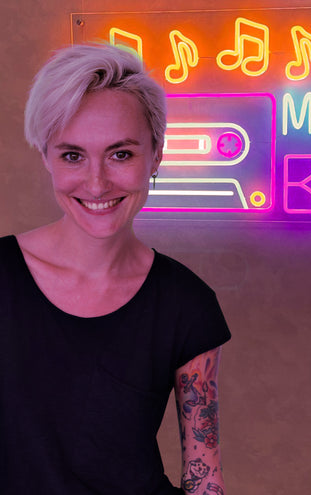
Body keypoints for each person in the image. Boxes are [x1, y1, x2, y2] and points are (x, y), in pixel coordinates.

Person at [0, 43, 230, 495]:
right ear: (46, 155)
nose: (97, 182)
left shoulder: (187, 304)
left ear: (156, 155)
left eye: (121, 154)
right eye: (72, 155)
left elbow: (204, 476)